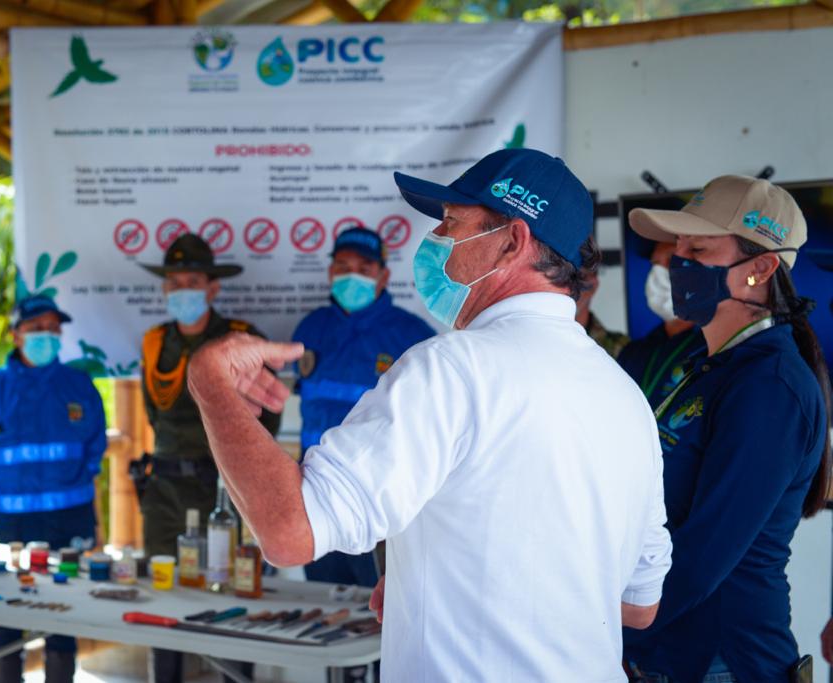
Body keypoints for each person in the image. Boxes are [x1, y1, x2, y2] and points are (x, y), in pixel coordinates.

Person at [184, 148, 673, 681]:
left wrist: (212, 387)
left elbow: (289, 530)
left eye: (451, 224)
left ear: (512, 241)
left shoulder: (453, 369)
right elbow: (638, 605)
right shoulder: (626, 397)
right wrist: (434, 572)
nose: (435, 243)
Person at [622, 175, 832, 682]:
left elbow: (704, 551)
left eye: (698, 246)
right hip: (669, 652)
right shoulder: (709, 363)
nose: (678, 260)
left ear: (760, 269)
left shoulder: (770, 386)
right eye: (677, 246)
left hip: (722, 662)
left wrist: (601, 628)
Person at [133, 234, 280, 683]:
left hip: (224, 490)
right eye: (174, 282)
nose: (182, 290)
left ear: (213, 288)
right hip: (164, 491)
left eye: (192, 281)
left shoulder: (240, 340)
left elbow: (266, 419)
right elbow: (153, 413)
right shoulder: (155, 342)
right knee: (162, 594)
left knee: (234, 595)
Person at [0, 294, 106, 683]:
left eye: (53, 328)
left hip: (65, 522)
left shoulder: (78, 386)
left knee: (63, 613)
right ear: (15, 334)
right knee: (4, 616)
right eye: (36, 328)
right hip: (5, 528)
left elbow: (95, 448)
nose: (47, 335)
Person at [293, 226, 434, 589]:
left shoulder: (411, 336)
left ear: (384, 276)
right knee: (323, 599)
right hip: (316, 491)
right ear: (329, 272)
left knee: (379, 610)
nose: (350, 275)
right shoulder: (310, 329)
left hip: (380, 497)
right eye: (342, 266)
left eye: (364, 267)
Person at [618, 241, 706, 409]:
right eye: (655, 264)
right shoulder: (633, 352)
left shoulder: (717, 349)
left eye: (671, 260)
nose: (658, 273)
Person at [576, 270, 629, 358]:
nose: (564, 288)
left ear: (592, 284)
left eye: (575, 277)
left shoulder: (622, 350)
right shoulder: (546, 341)